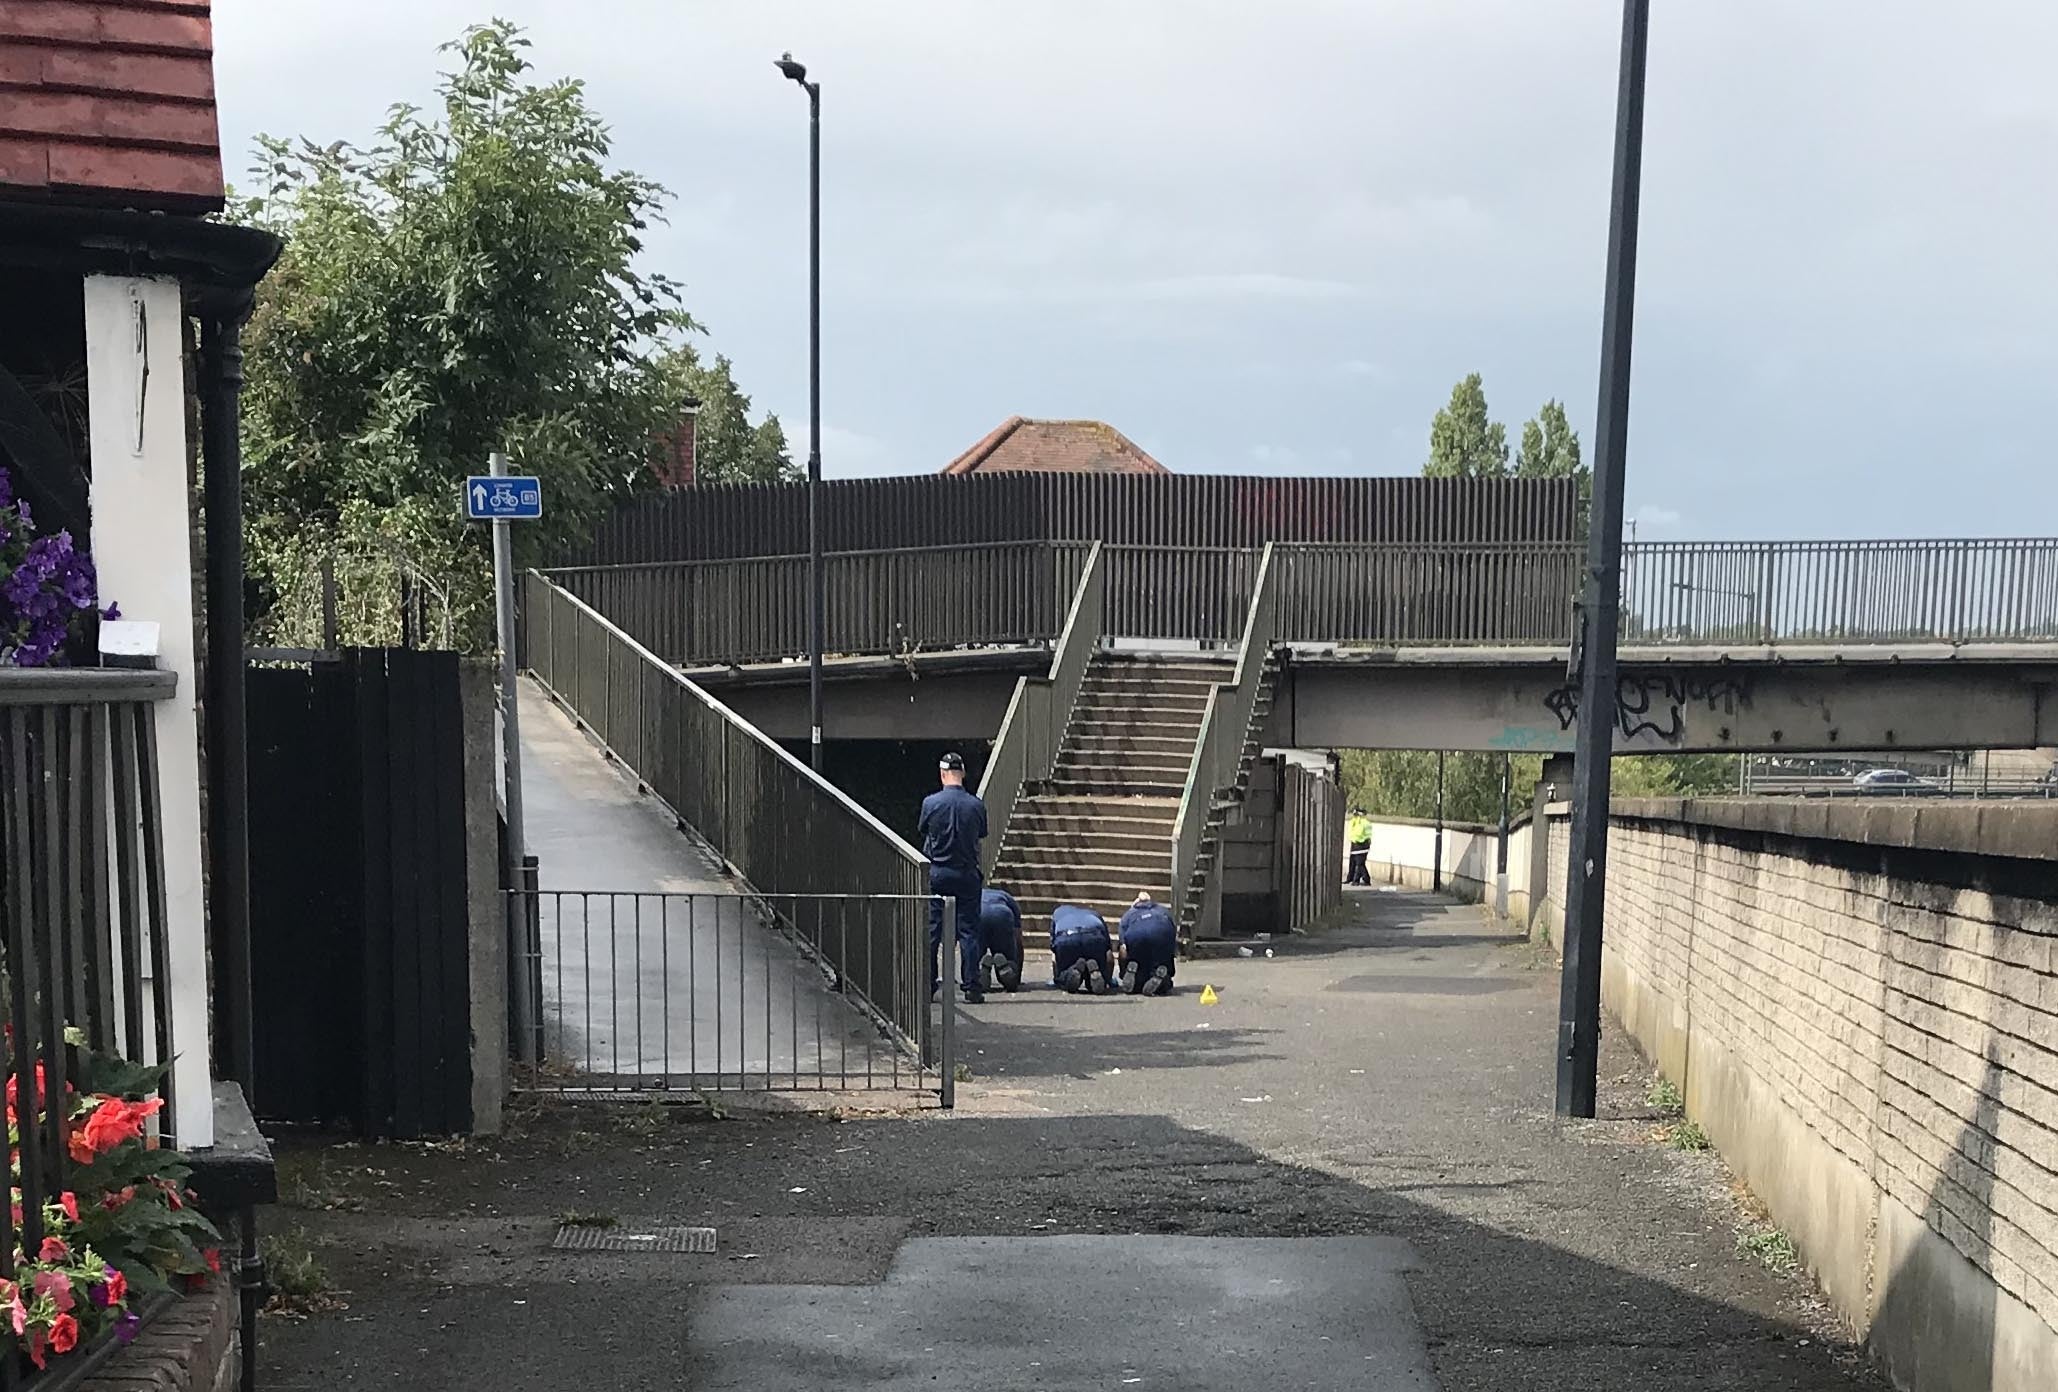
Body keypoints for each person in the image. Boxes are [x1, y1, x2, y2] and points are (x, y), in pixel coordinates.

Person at [918, 752, 987, 1003]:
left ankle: (928, 984)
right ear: (963, 774)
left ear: (942, 774)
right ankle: (972, 986)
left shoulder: (930, 803)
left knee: (933, 929)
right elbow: (981, 833)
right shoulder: (976, 805)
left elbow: (923, 830)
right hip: (967, 872)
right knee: (969, 930)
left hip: (937, 872)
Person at [1117, 892, 1179, 996]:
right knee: (1160, 969)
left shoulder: (1129, 914)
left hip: (1137, 936)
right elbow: (1172, 935)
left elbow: (1123, 946)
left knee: (1138, 968)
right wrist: (1170, 969)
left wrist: (1123, 970)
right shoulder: (1163, 910)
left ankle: (1130, 973)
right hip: (1162, 934)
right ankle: (1161, 978)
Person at [1048, 904, 1115, 994]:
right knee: (1098, 972)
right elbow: (1108, 950)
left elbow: (1053, 947)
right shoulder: (1095, 914)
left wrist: (1057, 977)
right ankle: (1095, 974)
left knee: (1064, 976)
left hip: (1067, 937)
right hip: (1093, 936)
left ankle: (1071, 972)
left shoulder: (1058, 913)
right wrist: (1108, 979)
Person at [978, 887, 1024, 993]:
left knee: (975, 955)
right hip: (1002, 913)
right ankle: (1008, 967)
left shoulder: (976, 893)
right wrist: (1017, 977)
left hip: (979, 912)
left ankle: (979, 970)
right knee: (1007, 956)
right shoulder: (1006, 896)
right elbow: (1018, 938)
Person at [1346, 807, 1373, 886]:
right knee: (1359, 863)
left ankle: (1360, 880)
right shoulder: (1356, 822)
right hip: (1357, 845)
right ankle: (1358, 879)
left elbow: (1359, 832)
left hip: (1361, 845)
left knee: (1359, 863)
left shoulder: (1363, 823)